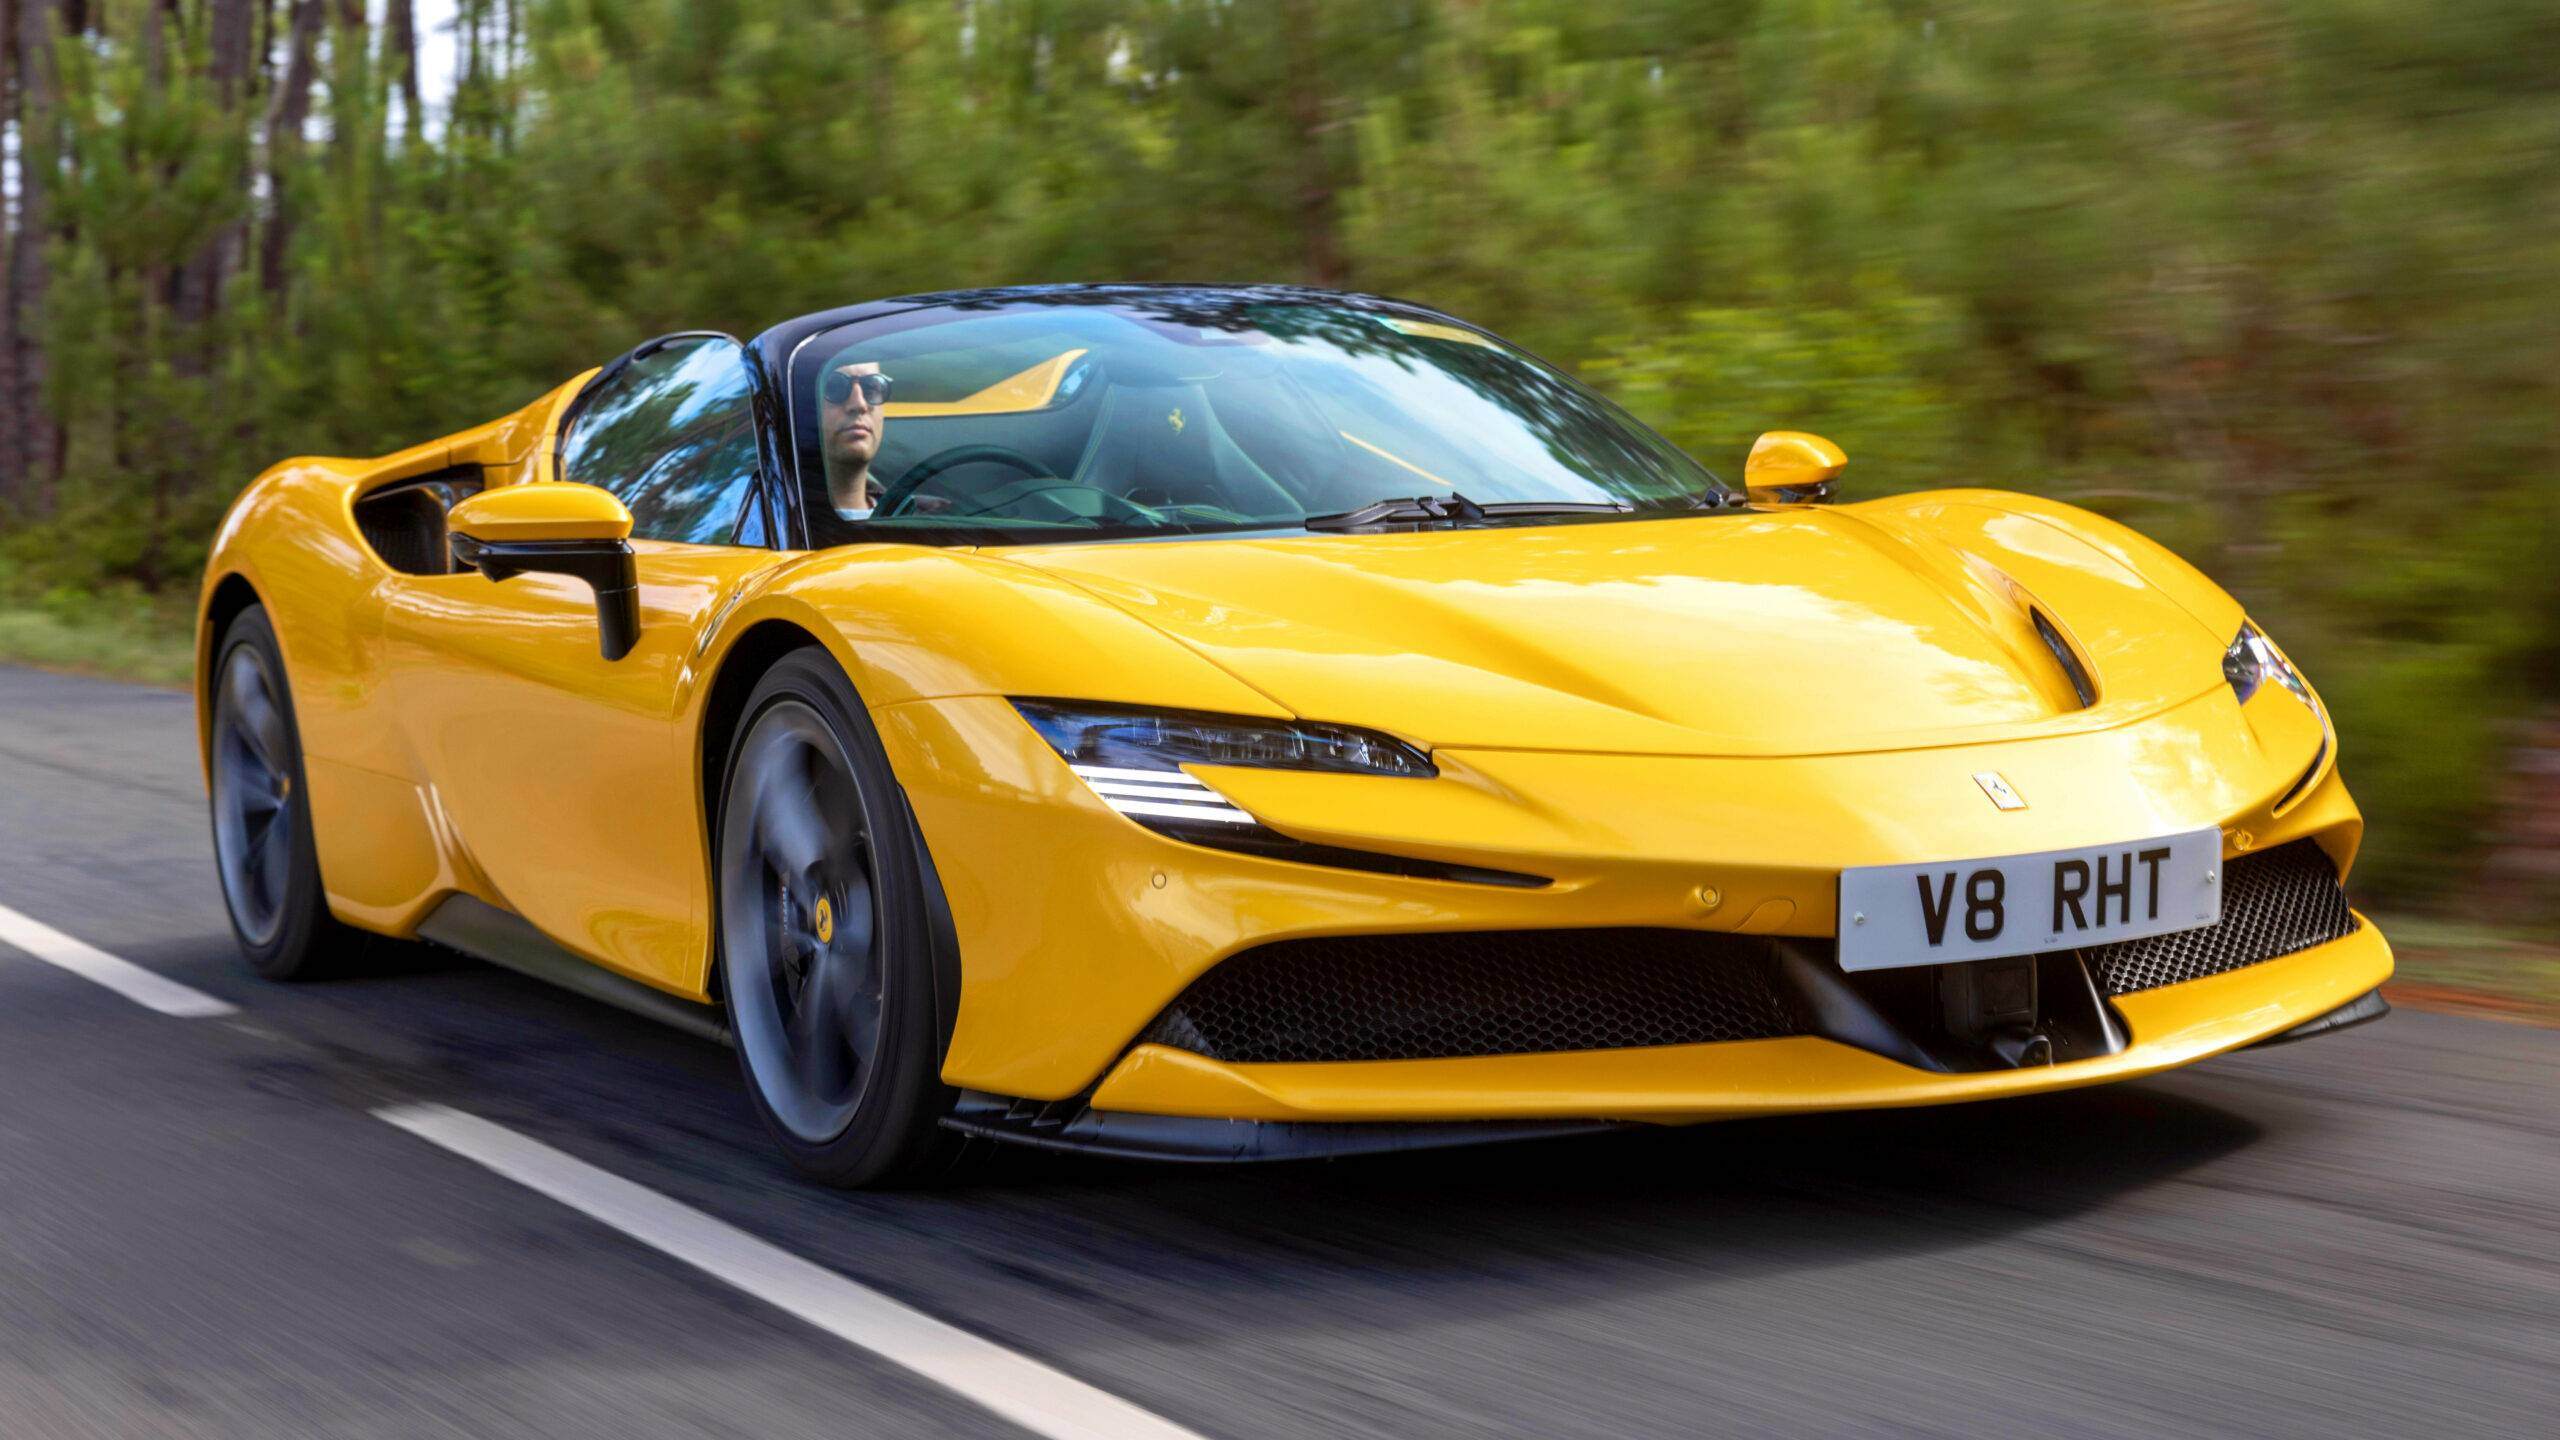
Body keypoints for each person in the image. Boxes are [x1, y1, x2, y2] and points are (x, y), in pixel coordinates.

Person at [819, 360, 893, 517]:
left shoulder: (924, 518)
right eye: (834, 387)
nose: (859, 404)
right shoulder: (765, 518)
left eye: (872, 387)